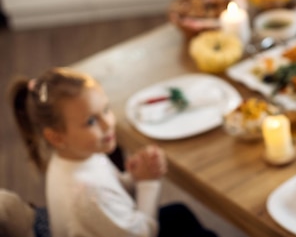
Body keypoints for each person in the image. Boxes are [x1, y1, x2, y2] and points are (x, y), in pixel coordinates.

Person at [9, 67, 218, 237]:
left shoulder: (77, 154)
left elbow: (109, 190)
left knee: (181, 213)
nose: (108, 123)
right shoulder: (86, 195)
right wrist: (148, 182)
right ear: (56, 136)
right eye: (91, 121)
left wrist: (132, 179)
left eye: (106, 109)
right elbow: (142, 232)